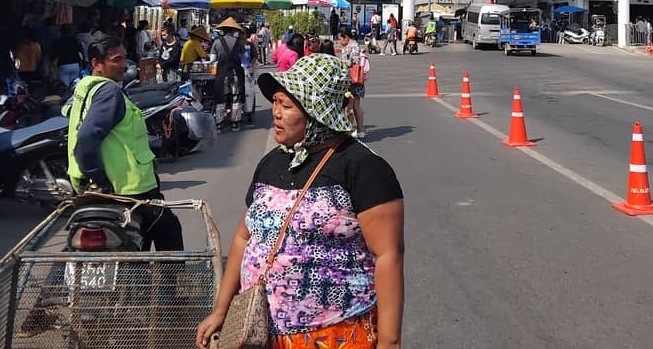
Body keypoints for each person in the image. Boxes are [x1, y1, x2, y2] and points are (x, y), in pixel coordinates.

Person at [196, 54, 404, 349]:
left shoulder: (362, 168)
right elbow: (245, 237)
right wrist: (221, 309)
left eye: (287, 105)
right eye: (276, 102)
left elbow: (388, 257)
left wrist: (389, 341)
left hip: (336, 335)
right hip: (262, 332)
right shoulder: (272, 163)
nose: (276, 113)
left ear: (318, 112)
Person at [67, 37, 183, 250]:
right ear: (96, 64)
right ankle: (168, 282)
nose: (123, 65)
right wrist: (99, 178)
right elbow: (86, 137)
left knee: (136, 236)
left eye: (124, 59)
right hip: (127, 187)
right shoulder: (109, 92)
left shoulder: (85, 88)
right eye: (116, 60)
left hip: (89, 186)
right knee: (169, 231)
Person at [211, 18, 249, 130]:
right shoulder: (239, 43)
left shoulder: (217, 42)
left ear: (223, 30)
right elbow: (245, 57)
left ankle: (219, 124)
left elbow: (212, 59)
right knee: (236, 98)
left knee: (221, 98)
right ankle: (235, 123)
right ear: (234, 30)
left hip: (222, 74)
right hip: (236, 73)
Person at [337, 29, 366, 138]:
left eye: (340, 38)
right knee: (355, 106)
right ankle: (360, 130)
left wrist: (342, 63)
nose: (339, 41)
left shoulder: (352, 46)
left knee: (349, 107)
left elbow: (354, 61)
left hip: (352, 80)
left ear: (346, 37)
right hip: (356, 80)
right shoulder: (353, 45)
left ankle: (349, 131)